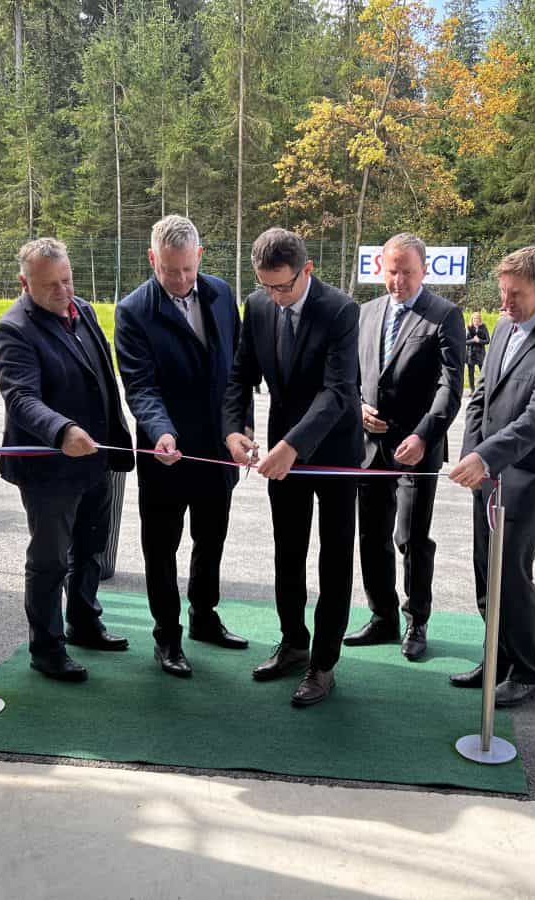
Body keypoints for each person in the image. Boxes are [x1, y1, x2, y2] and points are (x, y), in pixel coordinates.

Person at [223, 228, 362, 707]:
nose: (276, 298)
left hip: (336, 451)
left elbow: (339, 391)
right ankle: (292, 642)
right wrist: (235, 429)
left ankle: (323, 663)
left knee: (335, 557)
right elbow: (240, 375)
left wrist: (293, 445)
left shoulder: (340, 310)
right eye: (267, 286)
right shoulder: (258, 306)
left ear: (307, 270)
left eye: (284, 287)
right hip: (282, 455)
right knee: (288, 550)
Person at [0, 237, 134, 684]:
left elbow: (103, 380)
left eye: (67, 279)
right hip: (49, 467)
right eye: (50, 284)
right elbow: (21, 399)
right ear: (23, 282)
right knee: (50, 559)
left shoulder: (84, 311)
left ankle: (85, 623)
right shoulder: (13, 330)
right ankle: (47, 648)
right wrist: (62, 431)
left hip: (95, 458)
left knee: (91, 547)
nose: (63, 291)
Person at [114, 215, 248, 678]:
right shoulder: (133, 311)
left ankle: (204, 618)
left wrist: (241, 428)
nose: (181, 280)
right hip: (166, 454)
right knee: (161, 548)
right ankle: (166, 636)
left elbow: (236, 372)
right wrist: (160, 431)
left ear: (200, 257)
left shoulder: (221, 293)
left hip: (217, 451)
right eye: (171, 271)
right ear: (152, 259)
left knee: (211, 540)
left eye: (188, 269)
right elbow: (140, 386)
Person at [447, 246, 535, 708]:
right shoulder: (503, 329)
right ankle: (498, 658)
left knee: (512, 574)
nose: (505, 304)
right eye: (502, 293)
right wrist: (472, 456)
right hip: (486, 476)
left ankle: (526, 672)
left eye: (515, 295)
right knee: (485, 571)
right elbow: (480, 396)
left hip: (527, 479)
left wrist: (486, 457)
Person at [346, 233, 464, 661]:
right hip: (370, 448)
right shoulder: (366, 313)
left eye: (407, 272)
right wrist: (358, 407)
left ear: (424, 271)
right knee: (372, 535)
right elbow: (351, 376)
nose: (398, 281)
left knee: (411, 537)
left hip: (418, 449)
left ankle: (417, 618)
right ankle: (382, 618)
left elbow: (451, 388)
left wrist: (423, 435)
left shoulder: (444, 315)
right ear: (381, 269)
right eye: (392, 271)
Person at [465, 312, 489, 394]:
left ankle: (484, 389)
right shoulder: (468, 328)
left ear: (480, 319)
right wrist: (473, 340)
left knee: (483, 372)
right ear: (472, 319)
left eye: (478, 318)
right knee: (470, 373)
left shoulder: (483, 327)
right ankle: (472, 390)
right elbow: (464, 341)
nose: (476, 320)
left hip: (480, 354)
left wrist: (479, 341)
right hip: (470, 354)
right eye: (474, 318)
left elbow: (487, 341)